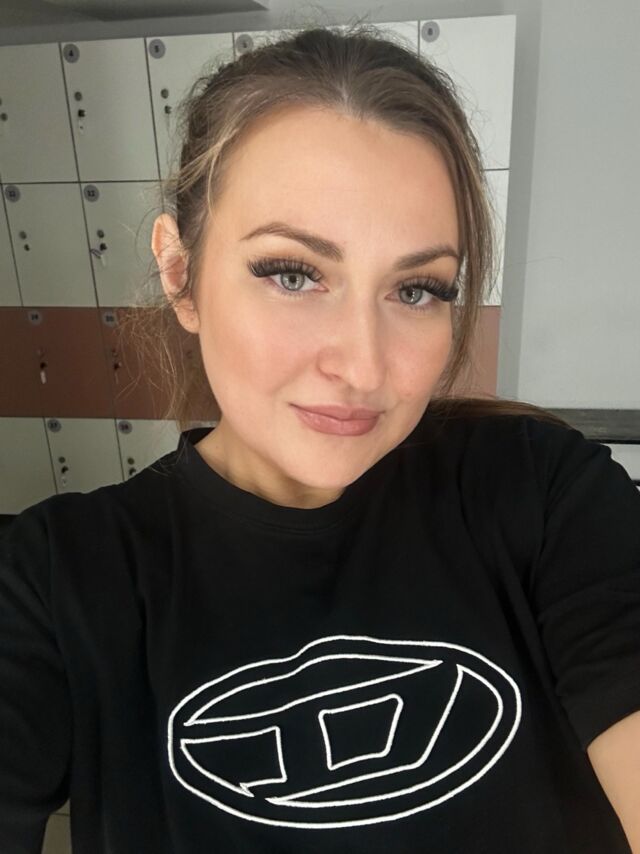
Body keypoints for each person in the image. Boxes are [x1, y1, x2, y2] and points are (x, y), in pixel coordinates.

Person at [1, 20, 640, 854]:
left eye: (417, 289)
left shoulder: (544, 494)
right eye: (294, 274)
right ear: (180, 273)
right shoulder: (57, 581)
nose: (363, 366)